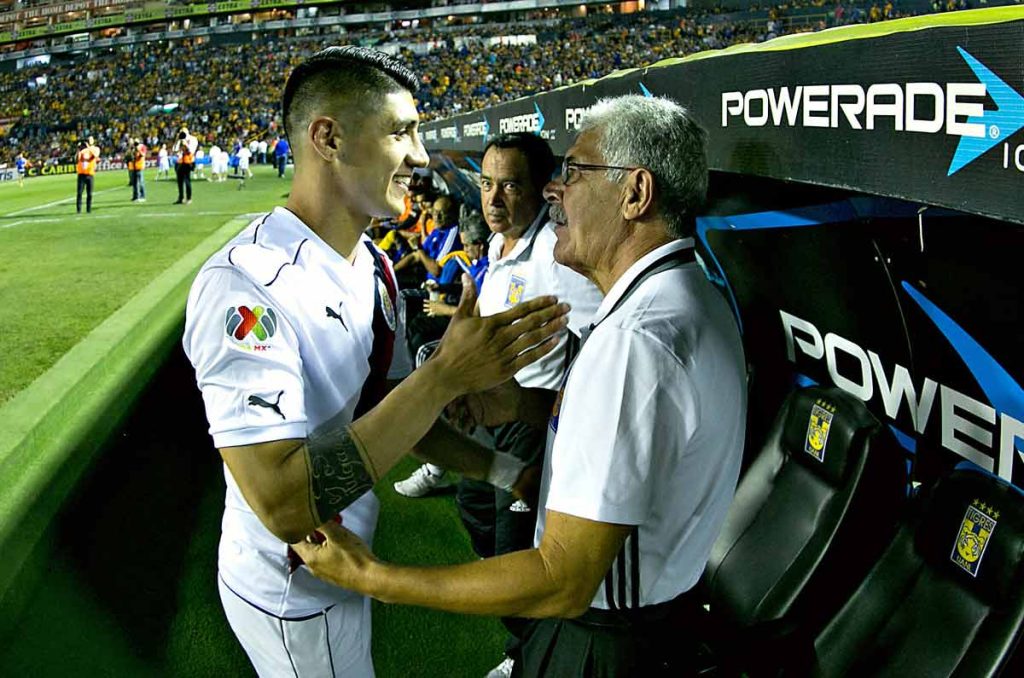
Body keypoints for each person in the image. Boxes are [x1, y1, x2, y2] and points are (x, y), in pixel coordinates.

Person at [293, 95, 748, 677]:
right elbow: (645, 446)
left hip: (608, 643)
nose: (555, 190)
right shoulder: (684, 296)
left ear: (635, 193)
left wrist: (375, 578)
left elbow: (562, 579)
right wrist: (518, 405)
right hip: (648, 626)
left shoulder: (637, 339)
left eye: (576, 172)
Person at [182, 45, 569, 678]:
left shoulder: (374, 267)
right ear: (328, 138)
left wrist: (506, 471)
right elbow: (283, 506)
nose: (419, 155)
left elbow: (382, 413)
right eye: (401, 131)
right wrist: (443, 375)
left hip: (343, 553)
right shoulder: (245, 287)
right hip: (294, 582)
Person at [392, 131, 603, 678]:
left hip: (532, 421)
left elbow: (603, 343)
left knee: (522, 558)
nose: (493, 199)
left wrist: (556, 405)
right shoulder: (496, 246)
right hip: (493, 417)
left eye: (510, 186)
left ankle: (528, 654)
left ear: (543, 191)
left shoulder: (560, 259)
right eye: (487, 184)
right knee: (475, 512)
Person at [75, 136, 100, 214]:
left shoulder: (95, 149)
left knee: (89, 194)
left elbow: (96, 157)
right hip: (81, 174)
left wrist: (88, 148)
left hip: (90, 174)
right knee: (79, 193)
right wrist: (79, 150)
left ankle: (88, 209)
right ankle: (78, 209)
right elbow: (76, 159)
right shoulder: (82, 151)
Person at [173, 127, 198, 204]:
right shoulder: (180, 139)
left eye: (183, 132)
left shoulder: (193, 139)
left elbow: (191, 150)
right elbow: (174, 150)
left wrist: (185, 143)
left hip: (188, 161)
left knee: (187, 180)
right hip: (180, 161)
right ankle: (181, 197)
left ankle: (189, 198)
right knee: (179, 181)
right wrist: (177, 140)